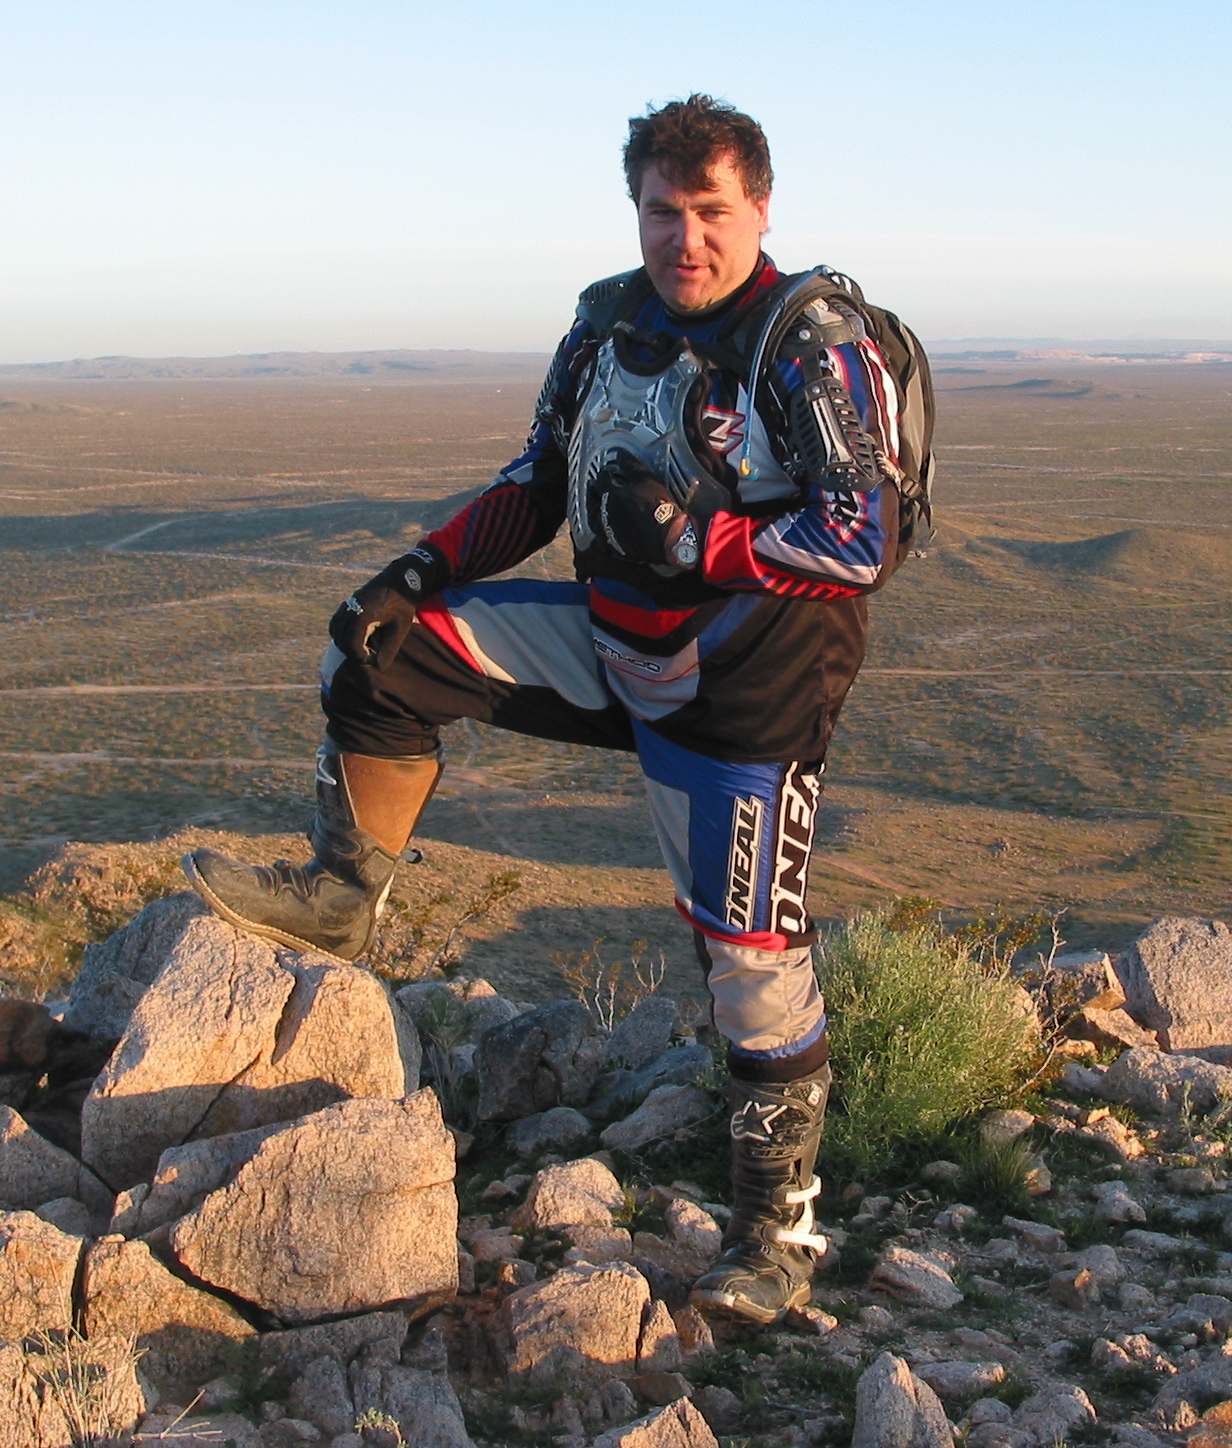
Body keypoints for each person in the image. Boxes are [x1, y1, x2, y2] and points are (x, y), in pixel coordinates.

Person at [183, 94, 912, 1324]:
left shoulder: (809, 341)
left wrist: (698, 540)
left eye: (710, 211)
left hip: (746, 688)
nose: (686, 237)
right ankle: (343, 894)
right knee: (383, 660)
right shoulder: (605, 321)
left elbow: (861, 536)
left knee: (748, 963)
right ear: (636, 209)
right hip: (613, 644)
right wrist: (418, 570)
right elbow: (540, 480)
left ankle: (775, 1232)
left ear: (760, 207)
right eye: (662, 211)